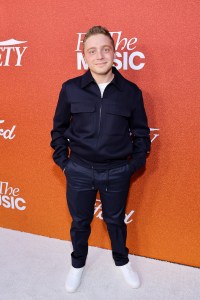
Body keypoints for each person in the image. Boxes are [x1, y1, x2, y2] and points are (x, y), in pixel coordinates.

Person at [50, 25, 151, 293]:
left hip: (117, 171)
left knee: (115, 220)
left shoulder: (131, 92)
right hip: (79, 169)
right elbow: (58, 130)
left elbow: (141, 134)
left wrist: (132, 165)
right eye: (92, 51)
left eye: (105, 49)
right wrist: (65, 163)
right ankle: (77, 264)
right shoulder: (70, 89)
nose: (100, 56)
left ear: (115, 53)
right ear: (84, 56)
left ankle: (121, 261)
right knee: (80, 221)